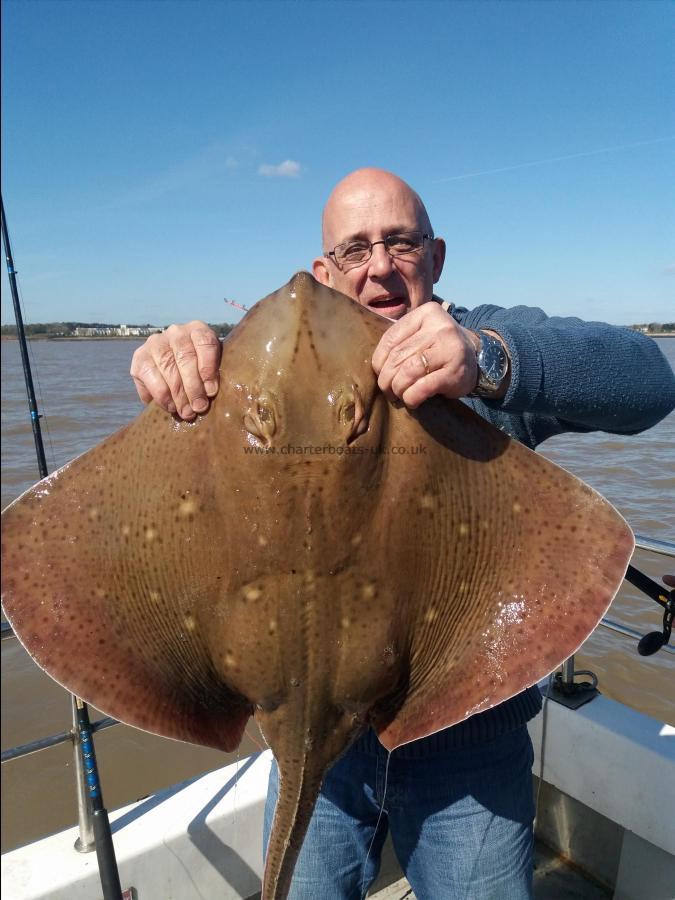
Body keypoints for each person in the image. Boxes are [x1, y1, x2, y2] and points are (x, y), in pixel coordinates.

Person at [130, 168, 675, 899]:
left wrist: (489, 361)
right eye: (354, 251)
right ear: (323, 272)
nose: (379, 266)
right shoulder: (240, 377)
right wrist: (177, 371)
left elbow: (649, 382)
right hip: (312, 752)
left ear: (436, 257)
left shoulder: (477, 341)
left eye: (400, 242)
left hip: (468, 740)